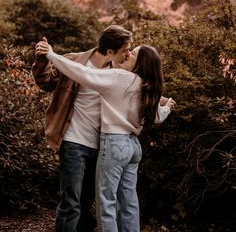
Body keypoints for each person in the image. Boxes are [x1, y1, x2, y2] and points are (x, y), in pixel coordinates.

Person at [36, 41, 175, 232]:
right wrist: (167, 107)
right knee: (129, 202)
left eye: (133, 54)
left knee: (106, 202)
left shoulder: (120, 77)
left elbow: (83, 73)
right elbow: (158, 117)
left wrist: (51, 54)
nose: (128, 55)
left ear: (140, 63)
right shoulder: (146, 86)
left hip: (115, 145)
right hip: (133, 148)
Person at [32, 25, 133, 232]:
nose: (129, 54)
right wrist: (43, 59)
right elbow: (46, 82)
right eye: (125, 50)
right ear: (110, 51)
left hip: (103, 146)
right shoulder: (74, 61)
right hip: (73, 141)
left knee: (87, 204)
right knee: (71, 204)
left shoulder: (119, 72)